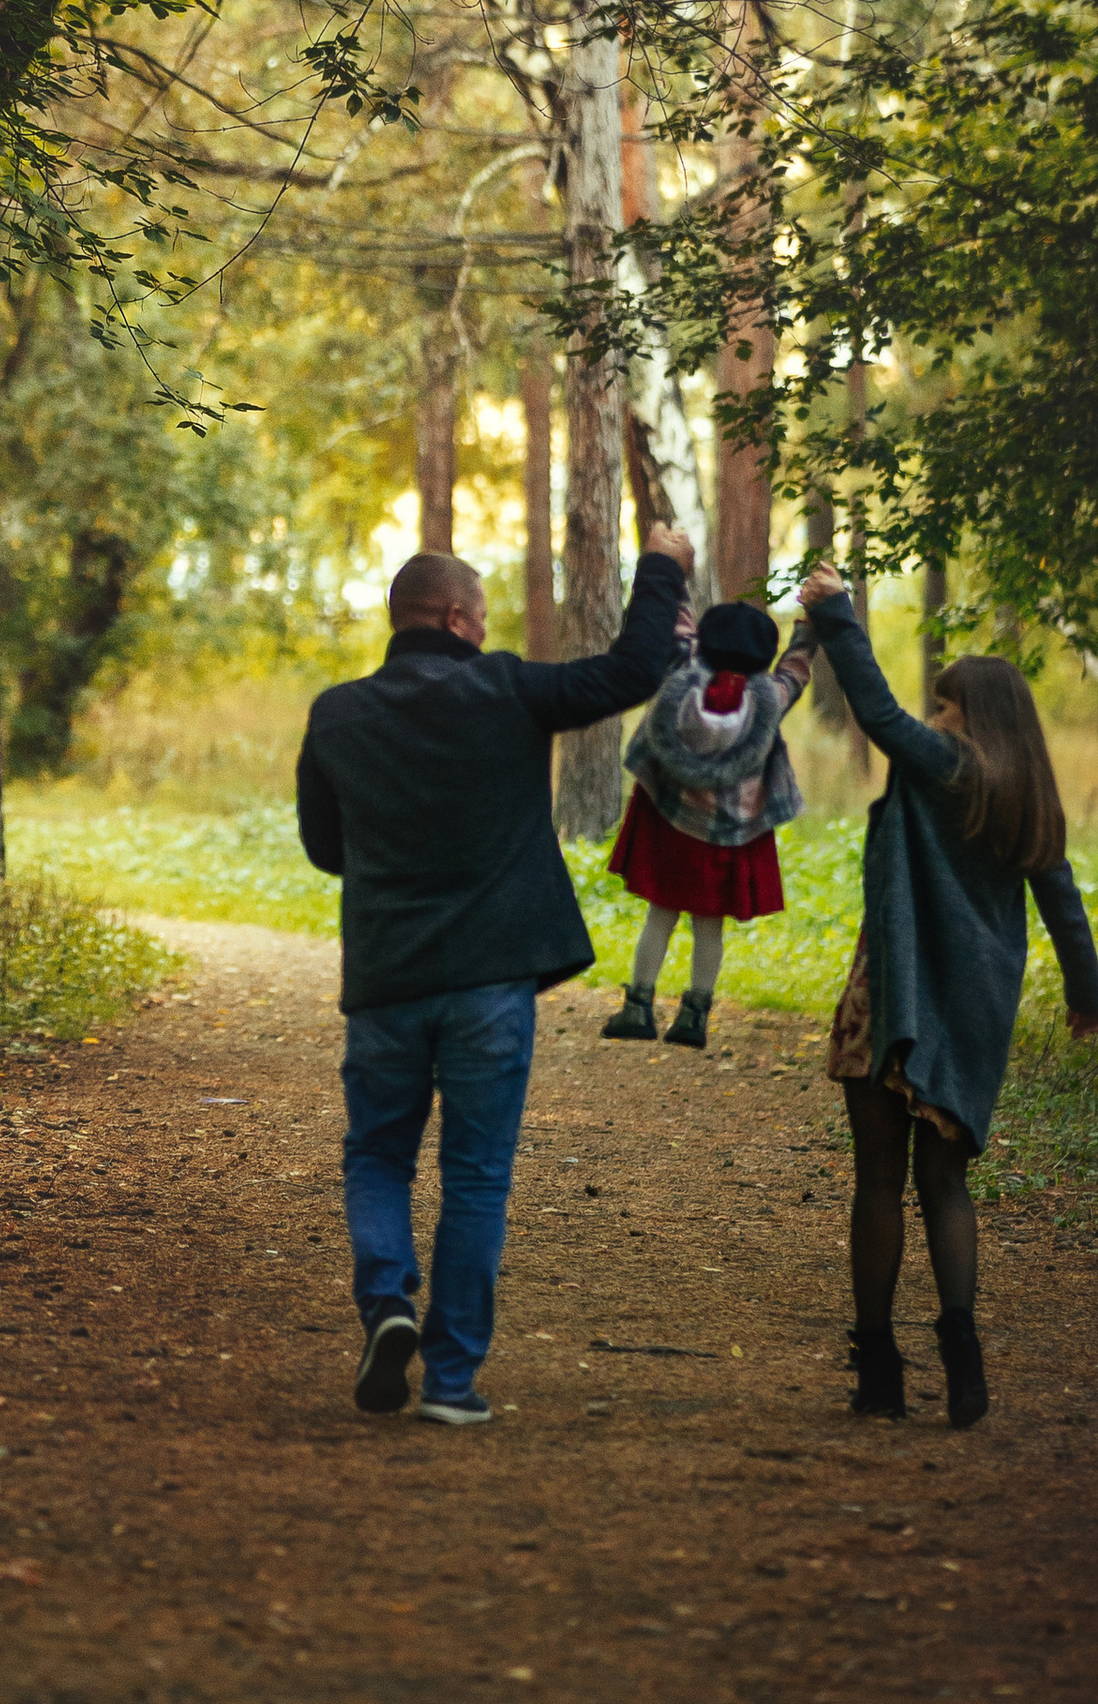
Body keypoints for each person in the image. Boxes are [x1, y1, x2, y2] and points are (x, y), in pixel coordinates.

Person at [295, 525, 694, 1426]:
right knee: (476, 1176)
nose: (482, 631)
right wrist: (661, 566)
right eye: (478, 618)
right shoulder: (508, 687)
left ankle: (387, 1304)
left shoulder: (337, 714)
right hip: (490, 983)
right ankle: (450, 1384)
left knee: (378, 1156)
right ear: (455, 618)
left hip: (387, 979)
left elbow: (325, 848)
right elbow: (631, 671)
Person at [798, 563, 1098, 1428]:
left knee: (878, 1182)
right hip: (973, 1013)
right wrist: (1087, 995)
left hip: (894, 999)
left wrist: (836, 614)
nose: (933, 719)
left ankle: (879, 1372)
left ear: (974, 717)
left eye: (945, 706)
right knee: (945, 1185)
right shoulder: (1027, 795)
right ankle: (964, 1362)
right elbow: (1063, 902)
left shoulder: (947, 766)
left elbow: (879, 715)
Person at [599, 597, 816, 1049]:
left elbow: (679, 634)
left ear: (706, 645)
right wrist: (807, 630)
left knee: (660, 915)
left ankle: (637, 1008)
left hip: (672, 822)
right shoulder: (769, 697)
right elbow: (795, 671)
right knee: (709, 926)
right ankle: (694, 1018)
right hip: (728, 833)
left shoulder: (681, 678)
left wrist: (675, 587)